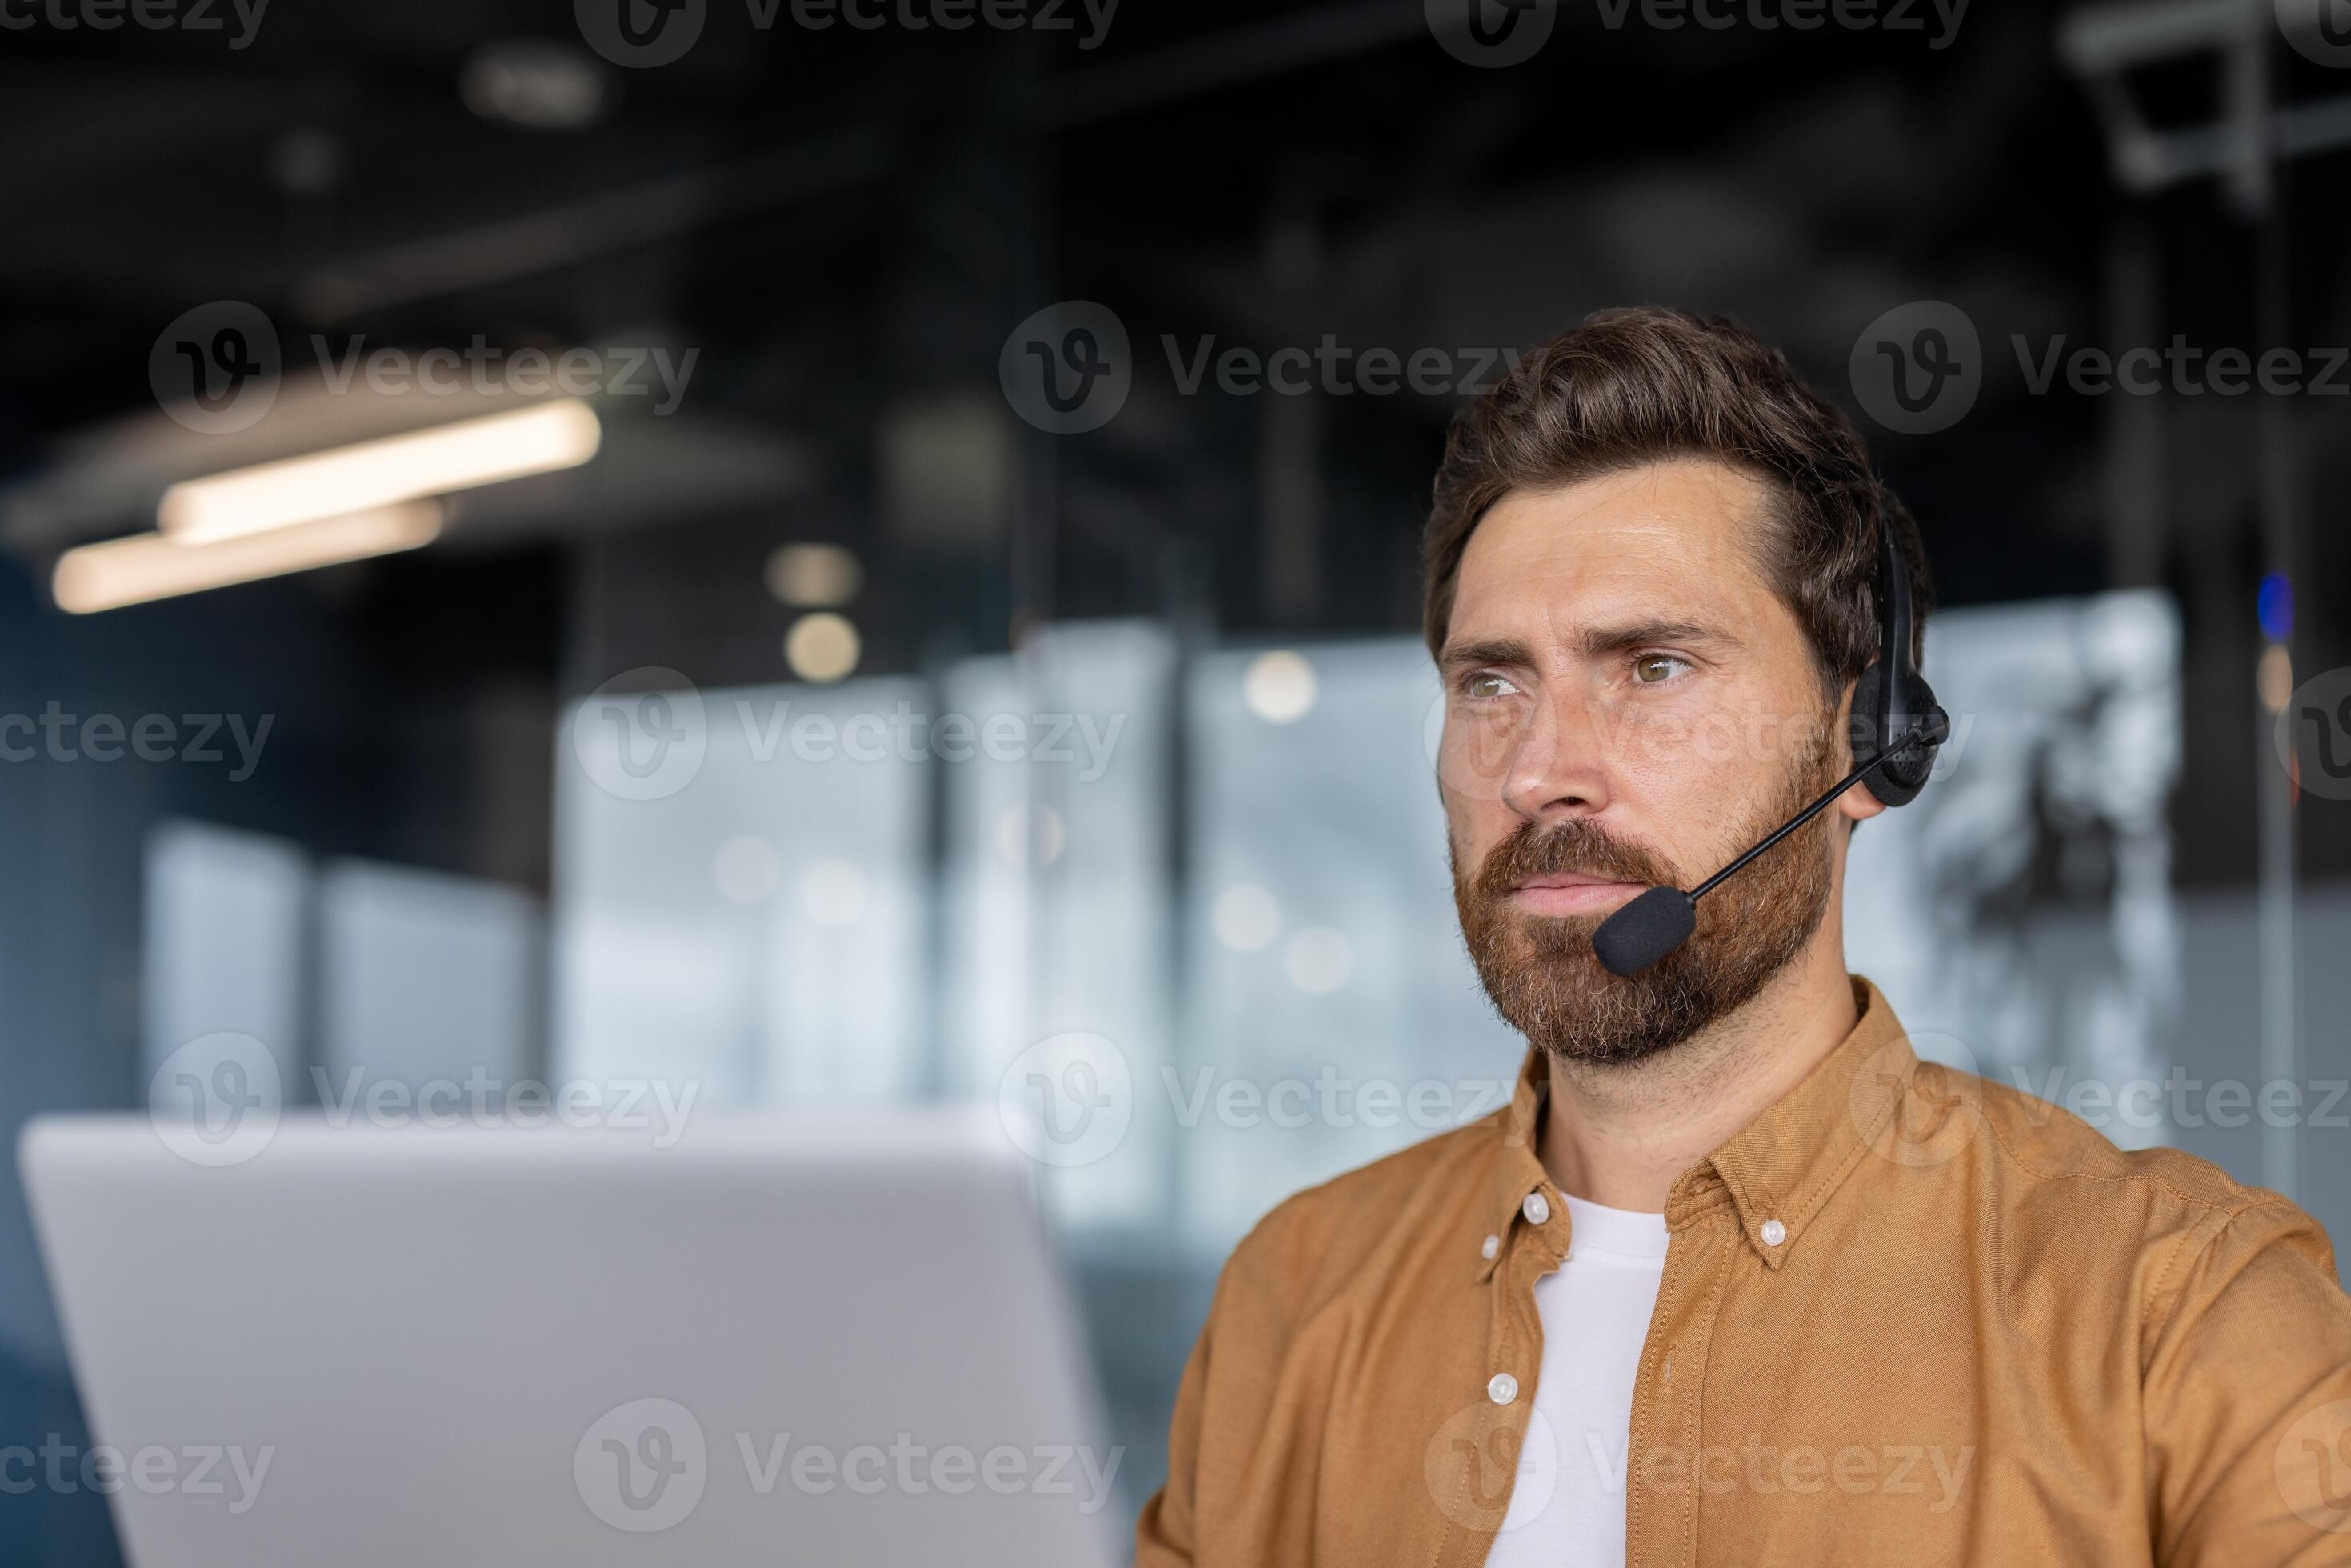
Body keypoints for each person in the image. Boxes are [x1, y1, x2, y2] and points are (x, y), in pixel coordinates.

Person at [1134, 306, 2351, 1566]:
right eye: (1491, 683)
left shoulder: (2181, 1315)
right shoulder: (1296, 1295)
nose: (1540, 771)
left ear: (1868, 746)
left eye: (1653, 668)